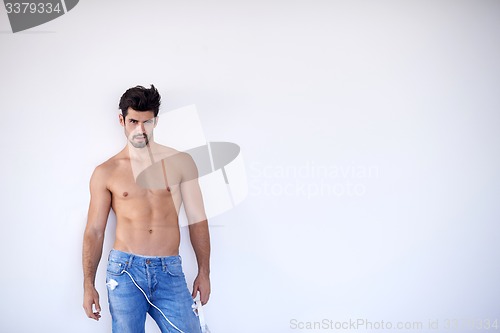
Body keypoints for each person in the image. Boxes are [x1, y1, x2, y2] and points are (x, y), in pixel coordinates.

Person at [82, 85, 210, 333]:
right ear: (122, 120)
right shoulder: (106, 172)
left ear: (156, 121)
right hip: (124, 273)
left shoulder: (181, 163)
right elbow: (95, 231)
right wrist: (88, 284)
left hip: (169, 271)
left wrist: (204, 272)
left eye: (147, 122)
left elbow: (198, 220)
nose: (140, 130)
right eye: (133, 121)